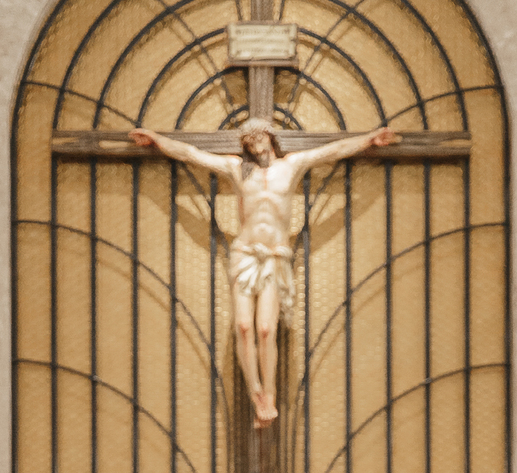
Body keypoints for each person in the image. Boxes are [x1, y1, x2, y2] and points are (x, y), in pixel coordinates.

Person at [130, 118, 396, 426]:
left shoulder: (292, 165)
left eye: (258, 136)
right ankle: (255, 391)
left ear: (270, 136)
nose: (254, 142)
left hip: (274, 257)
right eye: (248, 139)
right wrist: (156, 140)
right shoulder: (236, 169)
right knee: (243, 326)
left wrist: (369, 139)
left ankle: (269, 394)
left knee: (266, 329)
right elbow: (191, 154)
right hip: (245, 254)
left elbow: (332, 151)